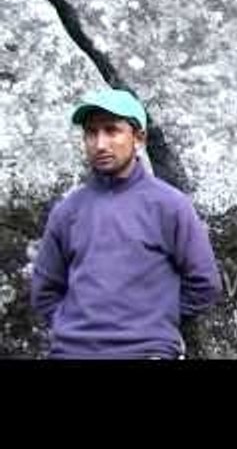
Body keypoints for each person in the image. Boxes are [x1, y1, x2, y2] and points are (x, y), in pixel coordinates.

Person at [30, 88, 222, 359]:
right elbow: (45, 291)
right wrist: (70, 328)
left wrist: (154, 319)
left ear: (139, 138)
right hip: (72, 351)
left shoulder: (169, 205)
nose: (100, 143)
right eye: (91, 132)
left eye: (111, 130)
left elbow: (205, 284)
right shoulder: (68, 211)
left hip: (146, 351)